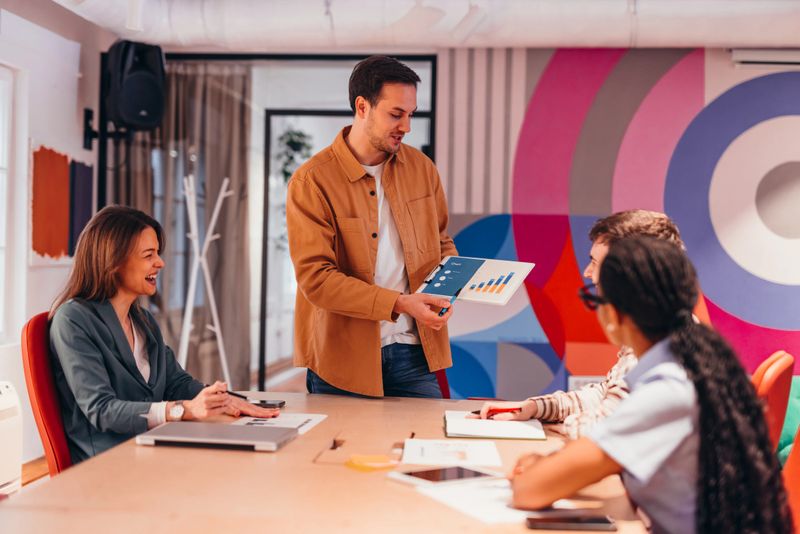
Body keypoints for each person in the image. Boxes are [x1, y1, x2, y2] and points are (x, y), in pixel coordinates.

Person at [510, 236, 792, 534]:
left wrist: (540, 470)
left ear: (615, 313)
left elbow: (530, 491)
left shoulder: (666, 392)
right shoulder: (695, 362)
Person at [49, 206, 278, 464]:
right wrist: (182, 410)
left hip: (155, 447)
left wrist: (226, 401)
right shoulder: (73, 320)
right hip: (110, 464)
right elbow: (102, 410)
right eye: (149, 255)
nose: (160, 262)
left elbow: (176, 382)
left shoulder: (143, 320)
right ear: (113, 261)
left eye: (157, 253)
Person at [286, 55, 457, 398]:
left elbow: (441, 242)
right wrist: (399, 303)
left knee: (424, 449)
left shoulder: (422, 169)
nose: (406, 127)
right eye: (396, 114)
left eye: (410, 114)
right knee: (338, 452)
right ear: (362, 107)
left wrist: (451, 284)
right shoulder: (312, 180)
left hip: (415, 352)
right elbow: (316, 280)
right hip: (341, 361)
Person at [473, 210, 683, 438]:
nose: (588, 273)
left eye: (595, 262)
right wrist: (533, 407)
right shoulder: (655, 328)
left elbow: (606, 430)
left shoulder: (658, 344)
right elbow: (606, 395)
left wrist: (556, 428)